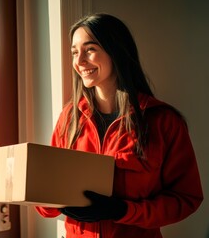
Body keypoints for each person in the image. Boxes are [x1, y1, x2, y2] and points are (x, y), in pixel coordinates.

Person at [35, 13, 203, 238]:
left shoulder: (162, 121)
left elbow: (186, 198)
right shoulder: (70, 117)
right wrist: (52, 201)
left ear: (116, 51)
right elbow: (45, 201)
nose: (79, 61)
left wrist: (123, 211)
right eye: (75, 52)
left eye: (90, 49)